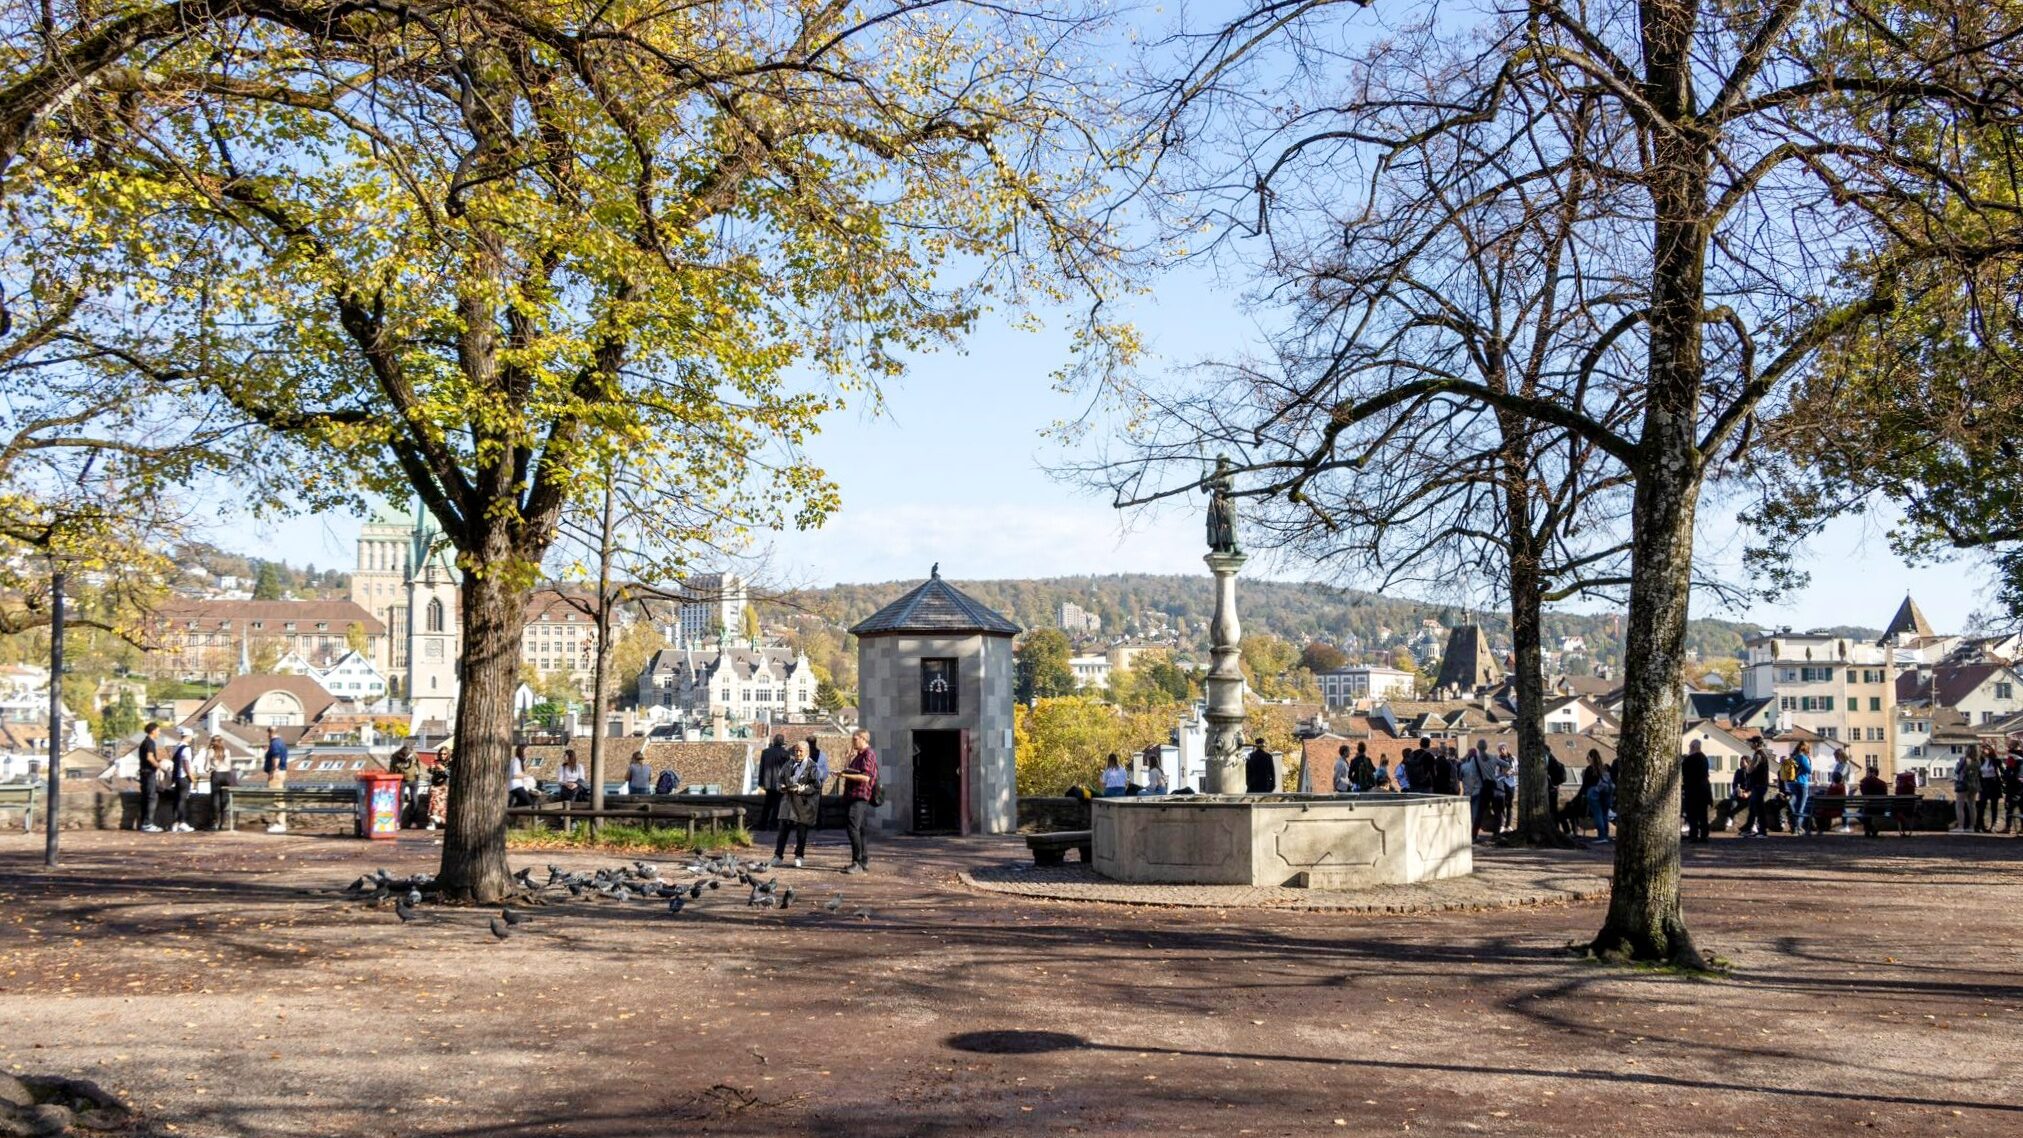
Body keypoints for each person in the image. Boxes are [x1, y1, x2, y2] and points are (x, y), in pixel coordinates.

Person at [772, 741, 827, 867]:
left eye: (800, 751)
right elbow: (779, 779)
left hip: (803, 804)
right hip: (788, 802)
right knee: (783, 830)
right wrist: (781, 786)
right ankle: (777, 855)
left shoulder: (812, 766)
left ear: (806, 752)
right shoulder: (788, 764)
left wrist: (803, 788)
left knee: (801, 832)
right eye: (796, 750)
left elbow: (816, 786)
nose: (798, 753)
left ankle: (799, 856)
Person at [835, 729, 879, 874]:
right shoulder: (859, 756)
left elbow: (866, 777)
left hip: (860, 796)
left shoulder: (868, 754)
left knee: (852, 827)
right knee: (860, 829)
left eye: (855, 739)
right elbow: (848, 770)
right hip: (852, 795)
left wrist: (844, 775)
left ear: (863, 739)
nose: (853, 742)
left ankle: (857, 861)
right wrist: (848, 758)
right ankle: (863, 860)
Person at [757, 733, 790, 830]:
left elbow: (761, 768)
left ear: (774, 741)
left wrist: (760, 782)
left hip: (767, 783)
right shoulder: (785, 754)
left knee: (767, 805)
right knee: (777, 805)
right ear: (782, 743)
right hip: (780, 784)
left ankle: (762, 825)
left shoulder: (765, 752)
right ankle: (773, 824)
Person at [166, 728, 197, 833]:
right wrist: (192, 779)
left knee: (177, 800)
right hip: (184, 777)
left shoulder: (176, 747)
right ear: (189, 736)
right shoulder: (186, 749)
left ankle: (175, 823)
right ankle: (182, 822)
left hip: (176, 777)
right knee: (182, 800)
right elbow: (186, 765)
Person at [135, 721, 164, 832]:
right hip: (149, 773)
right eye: (158, 731)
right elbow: (149, 757)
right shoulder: (150, 743)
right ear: (153, 731)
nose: (159, 733)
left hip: (143, 773)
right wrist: (158, 765)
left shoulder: (144, 742)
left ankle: (144, 823)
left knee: (145, 797)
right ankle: (148, 824)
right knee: (152, 797)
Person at [1682, 739, 1711, 843]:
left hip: (1694, 790)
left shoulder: (1690, 759)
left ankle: (1694, 834)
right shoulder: (1704, 758)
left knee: (1692, 814)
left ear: (1693, 747)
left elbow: (1685, 773)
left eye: (1690, 747)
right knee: (1703, 815)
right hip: (1704, 790)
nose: (1689, 749)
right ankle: (1704, 835)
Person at [1742, 741, 1773, 838]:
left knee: (1758, 808)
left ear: (1756, 744)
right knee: (1753, 807)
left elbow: (1751, 769)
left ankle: (1762, 831)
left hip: (1759, 785)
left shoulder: (1759, 755)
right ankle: (1749, 829)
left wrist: (1747, 768)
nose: (1750, 744)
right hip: (1759, 785)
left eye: (1751, 743)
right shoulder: (1760, 755)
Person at [262, 727, 289, 834]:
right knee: (278, 799)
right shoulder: (281, 742)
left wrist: (273, 771)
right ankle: (279, 823)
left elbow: (276, 757)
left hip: (276, 773)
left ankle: (280, 824)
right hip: (281, 772)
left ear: (270, 733)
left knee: (277, 799)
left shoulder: (275, 743)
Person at [1581, 749, 1612, 842]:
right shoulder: (1605, 768)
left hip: (1593, 792)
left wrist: (1583, 794)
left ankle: (1601, 836)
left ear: (1590, 758)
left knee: (1597, 814)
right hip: (1606, 791)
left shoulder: (1589, 769)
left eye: (1588, 758)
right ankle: (1606, 835)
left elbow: (1585, 784)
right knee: (1605, 814)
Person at [205, 733, 234, 831]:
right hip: (226, 775)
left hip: (216, 775)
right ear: (222, 742)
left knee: (215, 799)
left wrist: (210, 769)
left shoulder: (210, 751)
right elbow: (229, 766)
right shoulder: (227, 751)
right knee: (224, 799)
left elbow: (206, 767)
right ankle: (223, 822)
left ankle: (215, 822)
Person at [1786, 742, 1814, 835]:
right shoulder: (1803, 757)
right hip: (1802, 783)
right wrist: (1809, 760)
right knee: (1801, 807)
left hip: (1793, 783)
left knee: (1793, 805)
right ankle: (1798, 828)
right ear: (1806, 749)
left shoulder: (1793, 757)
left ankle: (1794, 826)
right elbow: (1809, 771)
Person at [1492, 743, 1517, 834]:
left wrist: (1513, 772)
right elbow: (1496, 775)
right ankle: (1502, 825)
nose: (1502, 750)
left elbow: (1517, 770)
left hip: (1511, 784)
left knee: (1509, 805)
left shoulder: (1513, 759)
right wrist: (1503, 774)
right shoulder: (1497, 760)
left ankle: (1508, 825)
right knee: (1501, 804)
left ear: (1506, 749)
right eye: (1500, 749)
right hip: (1501, 784)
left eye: (1503, 748)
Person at [1977, 746, 2003, 832]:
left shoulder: (1996, 761)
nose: (1983, 751)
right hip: (1984, 784)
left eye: (1985, 750)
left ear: (1990, 751)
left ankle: (1993, 825)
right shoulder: (1980, 761)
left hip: (1994, 784)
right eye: (1982, 750)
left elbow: (2002, 771)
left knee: (1994, 806)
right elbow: (1978, 774)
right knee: (1982, 805)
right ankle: (1981, 825)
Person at [1954, 746, 1979, 832]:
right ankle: (1972, 827)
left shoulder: (1964, 759)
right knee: (1972, 806)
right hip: (1974, 785)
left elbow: (1957, 770)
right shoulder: (1977, 761)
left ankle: (1960, 826)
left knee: (1959, 806)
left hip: (1963, 784)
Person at [426, 752, 451, 830]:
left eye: (444, 754)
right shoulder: (436, 762)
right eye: (440, 754)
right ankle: (433, 821)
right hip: (435, 785)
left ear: (448, 754)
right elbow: (431, 772)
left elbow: (450, 773)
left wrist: (443, 768)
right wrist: (431, 768)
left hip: (444, 786)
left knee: (440, 802)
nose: (442, 756)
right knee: (433, 801)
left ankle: (439, 819)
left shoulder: (450, 763)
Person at [509, 744, 536, 808]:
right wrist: (527, 776)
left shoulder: (518, 761)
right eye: (526, 750)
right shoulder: (516, 761)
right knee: (530, 804)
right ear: (521, 751)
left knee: (520, 805)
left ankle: (512, 815)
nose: (528, 752)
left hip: (516, 786)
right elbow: (515, 775)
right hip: (516, 787)